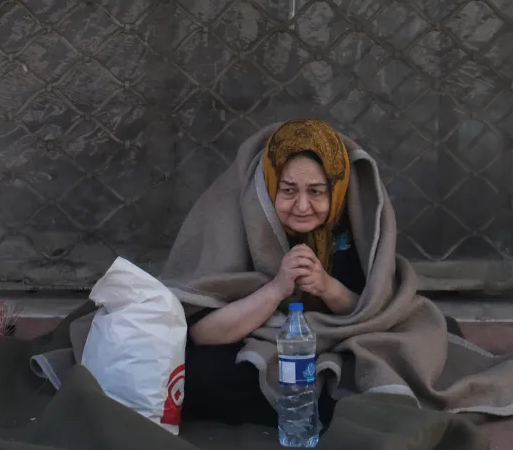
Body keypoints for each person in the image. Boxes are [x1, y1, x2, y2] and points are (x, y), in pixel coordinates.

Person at [178, 120, 462, 427]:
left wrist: (327, 287)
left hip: (342, 340)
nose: (302, 206)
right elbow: (202, 333)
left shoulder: (353, 221)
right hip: (264, 343)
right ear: (271, 185)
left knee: (436, 332)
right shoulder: (239, 216)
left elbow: (375, 310)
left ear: (336, 190)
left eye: (316, 192)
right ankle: (339, 409)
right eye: (288, 190)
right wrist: (276, 289)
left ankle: (319, 407)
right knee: (198, 374)